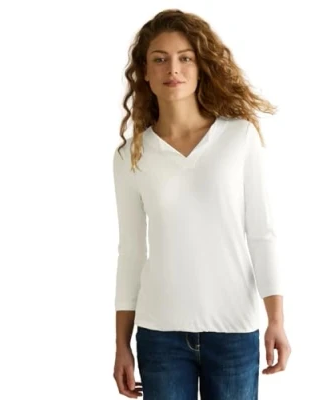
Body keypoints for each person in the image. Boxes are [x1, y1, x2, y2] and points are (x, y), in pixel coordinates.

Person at [112, 8, 291, 399]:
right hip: (160, 334)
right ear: (145, 72)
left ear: (200, 66)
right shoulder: (131, 156)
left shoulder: (238, 137)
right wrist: (121, 344)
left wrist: (276, 319)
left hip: (233, 330)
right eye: (160, 59)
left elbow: (261, 233)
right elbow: (131, 252)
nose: (172, 69)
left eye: (185, 58)